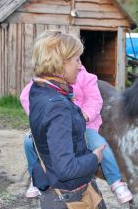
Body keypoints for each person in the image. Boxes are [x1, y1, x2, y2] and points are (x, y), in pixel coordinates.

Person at [21, 65, 133, 203]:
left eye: (79, 58)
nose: (78, 62)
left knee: (101, 146)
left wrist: (85, 115)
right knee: (28, 142)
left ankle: (115, 181)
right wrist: (38, 120)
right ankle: (35, 178)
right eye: (75, 59)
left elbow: (95, 100)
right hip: (56, 125)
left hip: (85, 125)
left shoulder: (87, 78)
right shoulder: (44, 81)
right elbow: (25, 98)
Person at [28, 30, 106, 208]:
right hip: (69, 198)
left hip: (57, 192)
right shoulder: (57, 106)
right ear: (61, 63)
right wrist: (95, 158)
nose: (80, 66)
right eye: (77, 60)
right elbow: (65, 169)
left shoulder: (39, 90)